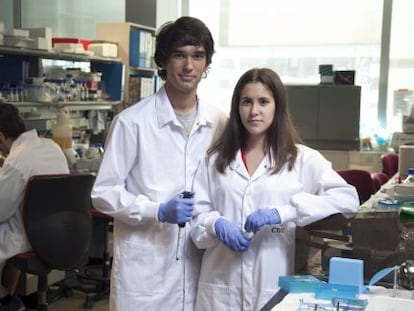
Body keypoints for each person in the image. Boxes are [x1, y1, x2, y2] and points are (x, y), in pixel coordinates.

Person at [190, 68, 360, 310]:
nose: (254, 111)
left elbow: (348, 199)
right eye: (246, 102)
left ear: (277, 107)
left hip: (271, 283)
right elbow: (196, 217)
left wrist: (284, 212)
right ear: (237, 107)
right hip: (220, 286)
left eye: (263, 102)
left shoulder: (301, 159)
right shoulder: (215, 159)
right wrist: (214, 225)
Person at [91, 16, 227, 310]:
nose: (188, 66)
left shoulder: (219, 123)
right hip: (145, 271)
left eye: (197, 56)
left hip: (198, 265)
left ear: (206, 64)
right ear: (164, 61)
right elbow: (103, 193)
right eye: (179, 55)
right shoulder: (132, 123)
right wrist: (158, 211)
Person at [0, 102, 69, 310]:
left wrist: (7, 172)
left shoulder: (17, 162)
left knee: (8, 235)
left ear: (1, 137)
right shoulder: (51, 147)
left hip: (32, 237)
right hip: (62, 233)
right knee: (11, 245)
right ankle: (7, 298)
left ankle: (6, 301)